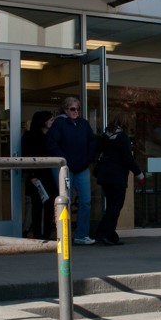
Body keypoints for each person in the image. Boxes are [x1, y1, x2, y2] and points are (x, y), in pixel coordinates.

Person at [46, 96, 97, 245]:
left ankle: (81, 234)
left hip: (82, 168)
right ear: (65, 109)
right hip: (64, 168)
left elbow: (92, 141)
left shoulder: (83, 124)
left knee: (86, 201)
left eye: (77, 109)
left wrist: (87, 158)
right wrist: (64, 160)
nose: (75, 112)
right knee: (64, 201)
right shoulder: (59, 124)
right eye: (72, 109)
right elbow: (52, 144)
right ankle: (64, 235)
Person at [94, 114, 144, 246]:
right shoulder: (122, 138)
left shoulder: (104, 137)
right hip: (118, 177)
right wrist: (139, 174)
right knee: (115, 207)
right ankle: (105, 233)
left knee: (111, 205)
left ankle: (109, 233)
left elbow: (97, 151)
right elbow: (128, 159)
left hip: (105, 176)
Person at [22, 110, 58, 240]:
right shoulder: (30, 136)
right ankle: (36, 232)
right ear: (43, 121)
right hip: (35, 175)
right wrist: (31, 175)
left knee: (50, 203)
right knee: (36, 204)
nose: (52, 123)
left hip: (48, 174)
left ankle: (47, 232)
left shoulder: (52, 136)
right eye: (50, 120)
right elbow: (26, 156)